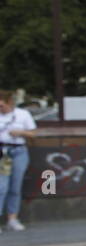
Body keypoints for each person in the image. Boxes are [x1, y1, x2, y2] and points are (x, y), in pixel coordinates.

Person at [0, 90, 39, 232]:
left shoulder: (22, 115)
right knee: (1, 187)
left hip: (18, 151)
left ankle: (12, 218)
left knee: (15, 187)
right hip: (2, 151)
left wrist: (20, 132)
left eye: (2, 106)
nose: (1, 109)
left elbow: (33, 133)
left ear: (10, 103)